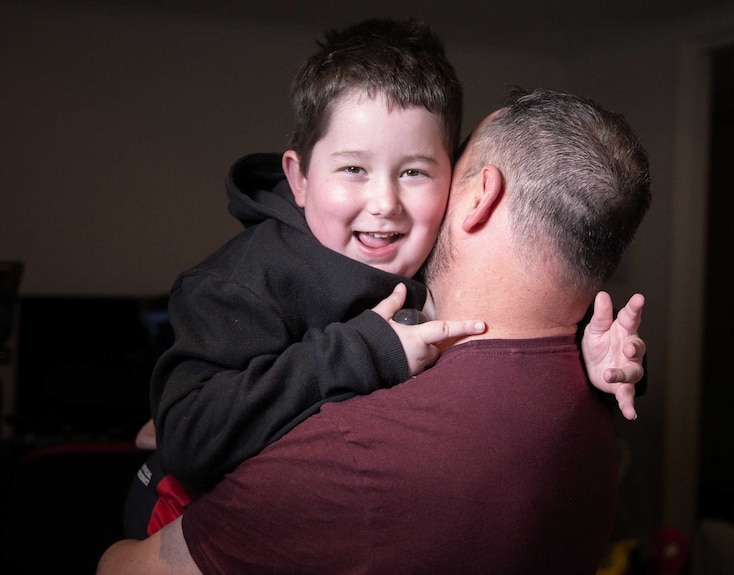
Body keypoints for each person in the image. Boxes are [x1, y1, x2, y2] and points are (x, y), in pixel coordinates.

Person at [123, 18, 646, 539]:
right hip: (174, 518)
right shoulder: (239, 283)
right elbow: (188, 440)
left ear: (457, 182)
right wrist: (367, 351)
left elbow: (511, 318)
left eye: (414, 172)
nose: (385, 204)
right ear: (299, 178)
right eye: (353, 169)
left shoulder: (423, 253)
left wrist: (594, 357)